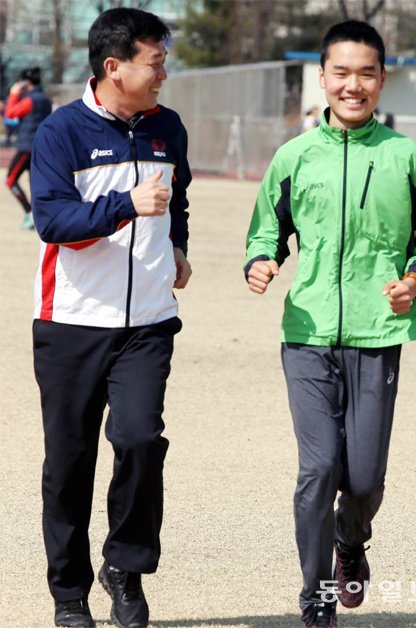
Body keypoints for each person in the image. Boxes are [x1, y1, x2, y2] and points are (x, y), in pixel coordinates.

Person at [245, 20, 416, 628]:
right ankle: (316, 596)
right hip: (306, 333)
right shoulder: (293, 156)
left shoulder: (408, 160)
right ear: (323, 78)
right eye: (342, 72)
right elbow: (265, 229)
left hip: (378, 334)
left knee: (362, 477)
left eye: (366, 73)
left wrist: (414, 280)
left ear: (382, 80)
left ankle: (351, 540)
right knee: (319, 467)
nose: (353, 85)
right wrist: (262, 260)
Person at [30, 8, 192, 628]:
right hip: (71, 323)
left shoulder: (167, 128)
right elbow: (53, 222)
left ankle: (125, 566)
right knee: (68, 462)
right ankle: (69, 594)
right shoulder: (60, 132)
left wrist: (176, 242)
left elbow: (177, 196)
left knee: (140, 441)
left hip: (148, 323)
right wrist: (126, 204)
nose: (163, 75)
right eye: (156, 63)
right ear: (113, 67)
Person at [5, 66, 52, 229]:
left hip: (26, 147)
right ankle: (38, 216)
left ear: (25, 83)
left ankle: (29, 213)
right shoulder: (45, 99)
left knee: (10, 180)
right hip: (41, 147)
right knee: (35, 185)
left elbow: (10, 113)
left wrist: (13, 94)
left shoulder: (29, 100)